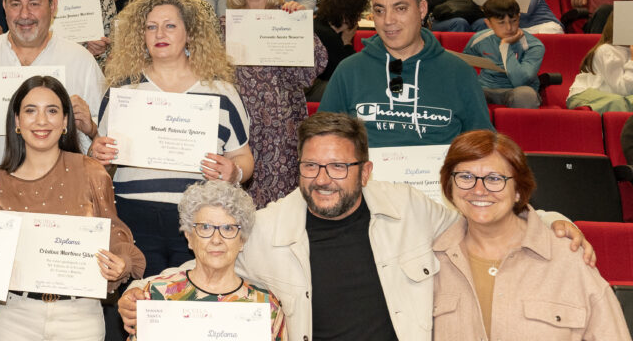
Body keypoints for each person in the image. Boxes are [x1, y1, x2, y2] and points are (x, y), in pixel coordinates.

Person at [117, 112, 593, 341]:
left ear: (366, 172)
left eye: (338, 168)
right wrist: (146, 292)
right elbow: (209, 256)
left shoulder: (409, 209)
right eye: (310, 167)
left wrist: (549, 220)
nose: (322, 180)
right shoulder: (266, 226)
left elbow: (483, 216)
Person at [90, 0, 252, 269]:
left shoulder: (221, 91)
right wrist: (97, 154)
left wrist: (233, 172)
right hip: (132, 215)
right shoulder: (122, 90)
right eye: (151, 27)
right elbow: (101, 160)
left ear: (189, 34)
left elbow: (243, 157)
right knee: (139, 305)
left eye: (170, 26)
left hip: (200, 219)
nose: (159, 33)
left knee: (192, 306)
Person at [0, 76, 144, 340]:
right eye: (31, 110)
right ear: (17, 121)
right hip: (14, 315)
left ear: (65, 121)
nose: (41, 121)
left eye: (52, 111)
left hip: (80, 316)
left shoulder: (91, 171)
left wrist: (121, 262)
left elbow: (114, 232)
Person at [432, 131, 630, 339]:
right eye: (466, 176)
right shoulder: (432, 262)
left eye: (494, 178)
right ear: (449, 186)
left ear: (518, 189)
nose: (479, 190)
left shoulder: (568, 258)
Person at [321, 0, 493, 146]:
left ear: (422, 9)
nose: (388, 20)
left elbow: (482, 144)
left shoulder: (459, 72)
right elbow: (323, 140)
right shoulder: (349, 70)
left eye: (400, 8)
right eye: (379, 10)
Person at [0, 0, 105, 166]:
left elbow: (104, 139)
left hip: (61, 188)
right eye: (15, 4)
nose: (24, 14)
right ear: (4, 6)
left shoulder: (81, 61)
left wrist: (91, 128)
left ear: (53, 6)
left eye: (34, 4)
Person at [222, 0, 327, 207]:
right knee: (233, 209)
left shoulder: (288, 18)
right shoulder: (222, 25)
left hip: (281, 129)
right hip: (237, 129)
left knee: (280, 212)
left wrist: (300, 24)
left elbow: (316, 67)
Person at [133, 181, 286, 340]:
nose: (216, 239)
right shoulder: (155, 295)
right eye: (205, 227)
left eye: (228, 228)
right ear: (189, 237)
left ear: (242, 240)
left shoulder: (266, 305)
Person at [462, 0, 544, 108]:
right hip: (485, 89)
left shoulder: (534, 45)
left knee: (526, 96)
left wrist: (505, 46)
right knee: (461, 92)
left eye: (513, 21)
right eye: (501, 23)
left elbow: (519, 81)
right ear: (489, 23)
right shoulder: (479, 39)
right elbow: (465, 65)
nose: (509, 28)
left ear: (519, 18)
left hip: (517, 90)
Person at [309, 0, 370, 101]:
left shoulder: (317, 24)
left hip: (306, 86)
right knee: (353, 89)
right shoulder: (329, 37)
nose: (359, 19)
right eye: (358, 14)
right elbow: (349, 74)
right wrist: (347, 42)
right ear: (346, 15)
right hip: (308, 91)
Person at [567, 16, 633, 111]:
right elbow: (622, 90)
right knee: (617, 102)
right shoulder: (606, 50)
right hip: (584, 94)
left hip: (616, 96)